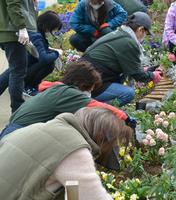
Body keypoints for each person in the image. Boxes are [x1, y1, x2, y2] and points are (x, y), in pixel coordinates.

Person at [0, 107, 132, 200]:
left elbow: (72, 192)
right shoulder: (75, 148)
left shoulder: (39, 127)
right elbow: (94, 197)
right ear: (101, 137)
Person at [0, 61, 129, 139]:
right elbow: (96, 106)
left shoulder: (57, 89)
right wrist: (124, 117)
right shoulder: (69, 93)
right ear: (82, 84)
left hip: (11, 129)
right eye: (90, 89)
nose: (89, 93)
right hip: (19, 133)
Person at [82, 11, 162, 106]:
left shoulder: (119, 34)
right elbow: (138, 75)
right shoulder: (129, 42)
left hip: (86, 77)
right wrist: (153, 76)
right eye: (146, 33)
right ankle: (96, 109)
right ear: (141, 30)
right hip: (92, 84)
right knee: (128, 93)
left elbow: (127, 66)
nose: (145, 37)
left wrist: (143, 70)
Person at [0, 11, 63, 96]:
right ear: (48, 25)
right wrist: (57, 53)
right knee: (49, 64)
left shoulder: (35, 29)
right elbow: (44, 59)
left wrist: (49, 49)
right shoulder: (37, 36)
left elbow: (39, 49)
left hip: (22, 62)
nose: (54, 32)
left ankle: (24, 86)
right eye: (54, 28)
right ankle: (27, 87)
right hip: (24, 65)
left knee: (12, 72)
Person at [0, 0, 37, 112]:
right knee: (18, 72)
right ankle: (18, 110)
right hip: (13, 31)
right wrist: (21, 27)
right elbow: (13, 4)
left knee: (15, 69)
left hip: (7, 30)